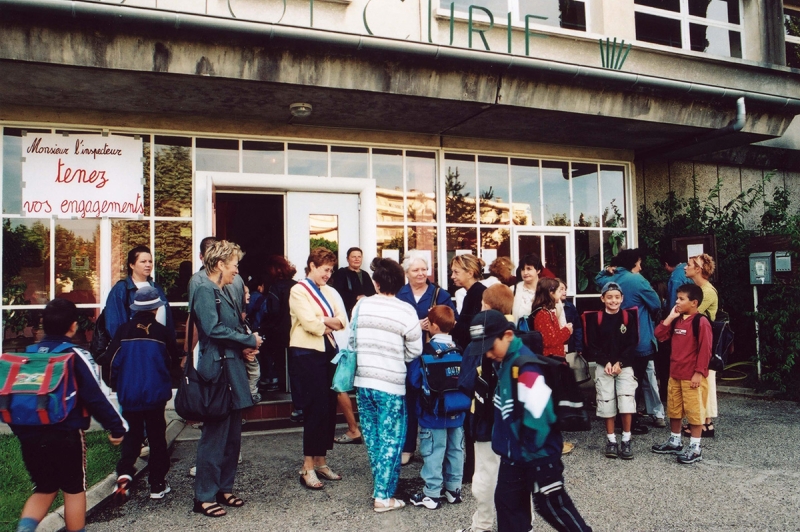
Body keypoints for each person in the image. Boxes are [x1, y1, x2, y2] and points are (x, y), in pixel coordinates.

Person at [9, 298, 127, 532]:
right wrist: (116, 427)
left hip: (30, 435)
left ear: (43, 324)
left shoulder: (28, 355)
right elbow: (94, 397)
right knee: (74, 490)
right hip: (66, 435)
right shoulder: (74, 355)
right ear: (73, 326)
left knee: (44, 488)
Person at [470, 310, 593, 532]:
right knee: (507, 508)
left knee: (553, 507)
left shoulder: (526, 368)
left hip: (537, 456)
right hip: (512, 457)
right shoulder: (503, 363)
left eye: (490, 346)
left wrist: (537, 461)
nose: (488, 354)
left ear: (508, 335)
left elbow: (540, 417)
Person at [191, 240, 263, 517]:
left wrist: (245, 345)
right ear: (220, 264)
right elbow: (212, 329)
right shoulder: (204, 289)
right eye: (234, 265)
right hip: (217, 369)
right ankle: (204, 496)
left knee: (232, 435)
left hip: (231, 366)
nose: (236, 271)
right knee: (214, 436)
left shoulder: (221, 288)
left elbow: (228, 327)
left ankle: (224, 487)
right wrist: (246, 338)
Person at [352, 257, 423, 512]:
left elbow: (352, 340)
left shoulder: (361, 306)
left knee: (373, 438)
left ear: (375, 282)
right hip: (391, 383)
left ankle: (383, 487)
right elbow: (415, 349)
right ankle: (383, 496)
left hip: (363, 381)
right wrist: (395, 355)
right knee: (392, 439)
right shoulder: (405, 310)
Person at [108, 286, 181, 501]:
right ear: (156, 308)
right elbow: (172, 363)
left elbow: (111, 360)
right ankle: (157, 484)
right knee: (157, 437)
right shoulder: (163, 332)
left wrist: (118, 385)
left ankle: (124, 475)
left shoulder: (123, 330)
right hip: (155, 395)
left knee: (132, 436)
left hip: (129, 394)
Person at [290, 247, 347, 489]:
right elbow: (310, 324)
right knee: (314, 408)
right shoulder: (298, 290)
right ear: (312, 265)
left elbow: (343, 320)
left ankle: (322, 461)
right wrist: (325, 321)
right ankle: (307, 466)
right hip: (307, 354)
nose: (328, 274)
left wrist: (322, 320)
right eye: (325, 269)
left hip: (329, 352)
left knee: (328, 407)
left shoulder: (330, 291)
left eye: (331, 270)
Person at [396, 253, 457, 465]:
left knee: (433, 400)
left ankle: (433, 450)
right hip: (407, 355)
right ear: (406, 273)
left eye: (424, 269)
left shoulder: (440, 294)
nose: (421, 273)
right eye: (416, 270)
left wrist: (434, 320)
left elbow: (452, 321)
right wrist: (414, 326)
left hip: (435, 356)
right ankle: (408, 447)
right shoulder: (399, 294)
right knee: (409, 400)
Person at [595, 248, 665, 429]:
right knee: (634, 382)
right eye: (639, 264)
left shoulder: (609, 279)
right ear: (633, 264)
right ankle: (630, 421)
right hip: (639, 339)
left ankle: (618, 417)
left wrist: (607, 269)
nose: (640, 268)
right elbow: (656, 303)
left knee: (616, 382)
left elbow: (598, 278)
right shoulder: (637, 280)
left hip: (614, 340)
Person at [408, 305, 466, 510]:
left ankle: (432, 494)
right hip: (457, 411)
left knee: (433, 451)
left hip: (432, 413)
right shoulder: (460, 351)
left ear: (432, 326)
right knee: (455, 450)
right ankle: (453, 490)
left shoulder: (426, 352)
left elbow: (414, 381)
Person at [652, 284, 712, 464]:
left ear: (694, 303)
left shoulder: (700, 322)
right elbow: (659, 334)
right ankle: (675, 441)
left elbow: (705, 349)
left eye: (681, 299)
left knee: (694, 412)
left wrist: (699, 373)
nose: (677, 301)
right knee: (674, 409)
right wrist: (670, 317)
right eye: (677, 298)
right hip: (675, 374)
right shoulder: (677, 320)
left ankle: (695, 447)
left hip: (692, 376)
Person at [583, 282, 640, 460]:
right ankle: (611, 440)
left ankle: (626, 438)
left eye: (617, 297)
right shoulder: (596, 319)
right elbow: (591, 345)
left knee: (626, 400)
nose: (613, 301)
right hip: (604, 365)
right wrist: (605, 362)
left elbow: (632, 343)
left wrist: (620, 363)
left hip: (624, 366)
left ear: (622, 298)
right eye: (609, 297)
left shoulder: (628, 317)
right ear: (602, 298)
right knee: (606, 400)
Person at [104, 245, 174, 342]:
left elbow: (168, 321)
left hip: (159, 347)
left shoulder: (156, 288)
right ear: (132, 265)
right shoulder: (121, 289)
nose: (148, 265)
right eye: (143, 261)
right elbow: (114, 324)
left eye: (150, 261)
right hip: (134, 348)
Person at [684, 253, 718, 437]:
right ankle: (704, 422)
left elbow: (691, 314)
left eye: (689, 264)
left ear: (698, 269)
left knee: (707, 381)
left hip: (705, 342)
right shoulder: (698, 288)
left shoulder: (707, 291)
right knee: (702, 382)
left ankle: (706, 422)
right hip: (695, 342)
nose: (685, 267)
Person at [258, 255, 298, 403]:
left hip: (279, 329)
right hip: (294, 328)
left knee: (268, 349)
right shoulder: (296, 285)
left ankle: (272, 380)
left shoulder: (275, 287)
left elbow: (273, 311)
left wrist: (265, 326)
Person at [529, 278, 573, 359]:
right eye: (559, 291)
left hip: (555, 357)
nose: (561, 294)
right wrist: (567, 330)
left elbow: (554, 334)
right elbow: (550, 341)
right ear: (551, 293)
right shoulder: (542, 314)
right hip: (550, 360)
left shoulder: (547, 312)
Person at [450, 253, 487, 350]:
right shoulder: (472, 293)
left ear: (470, 273)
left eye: (456, 272)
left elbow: (474, 330)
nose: (452, 276)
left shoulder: (480, 294)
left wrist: (453, 324)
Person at [330, 246, 376, 317]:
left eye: (359, 257)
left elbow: (372, 292)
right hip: (346, 313)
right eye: (353, 257)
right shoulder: (341, 273)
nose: (357, 259)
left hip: (364, 312)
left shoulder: (365, 274)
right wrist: (356, 297)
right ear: (347, 259)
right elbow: (338, 293)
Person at [512, 253, 543, 323]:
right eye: (522, 269)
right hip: (519, 333)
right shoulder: (513, 290)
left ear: (538, 270)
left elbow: (560, 319)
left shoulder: (547, 289)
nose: (525, 272)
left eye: (529, 269)